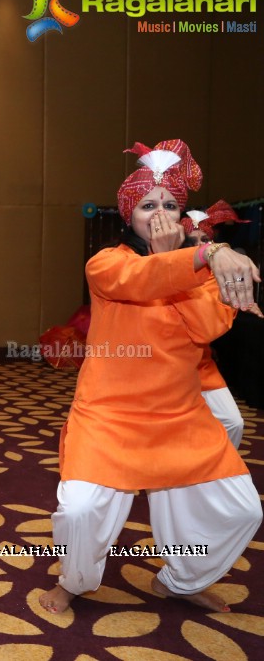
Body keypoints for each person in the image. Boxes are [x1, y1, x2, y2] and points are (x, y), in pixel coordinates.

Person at [38, 140, 262, 616]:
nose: (159, 212)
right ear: (128, 216)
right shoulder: (108, 262)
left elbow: (206, 327)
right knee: (79, 512)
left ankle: (180, 580)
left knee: (244, 511)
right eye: (147, 204)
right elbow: (140, 282)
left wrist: (192, 261)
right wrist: (198, 257)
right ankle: (73, 582)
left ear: (184, 216)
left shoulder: (200, 273)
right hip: (108, 417)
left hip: (179, 418)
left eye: (170, 205)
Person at [181, 201, 249, 447]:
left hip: (201, 365)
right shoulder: (167, 270)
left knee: (233, 422)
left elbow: (209, 328)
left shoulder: (220, 278)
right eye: (192, 241)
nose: (199, 246)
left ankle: (218, 473)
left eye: (204, 240)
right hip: (166, 366)